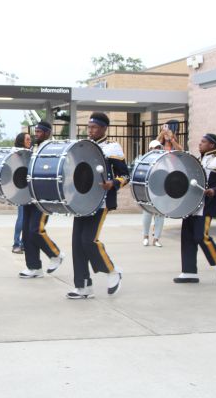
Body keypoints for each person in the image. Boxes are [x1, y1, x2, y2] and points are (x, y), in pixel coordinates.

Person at [67, 112, 127, 299]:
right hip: (82, 200)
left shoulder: (112, 148)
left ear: (103, 128)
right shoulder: (84, 146)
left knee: (88, 241)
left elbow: (125, 175)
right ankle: (83, 286)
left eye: (94, 127)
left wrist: (113, 183)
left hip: (101, 202)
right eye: (89, 127)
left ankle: (112, 271)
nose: (90, 130)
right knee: (77, 244)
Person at [174, 133, 216, 284]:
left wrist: (215, 190)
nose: (200, 144)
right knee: (187, 237)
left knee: (201, 236)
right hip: (191, 204)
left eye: (203, 142)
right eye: (200, 141)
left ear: (212, 145)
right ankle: (189, 271)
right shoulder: (198, 160)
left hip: (206, 205)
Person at [19, 121, 65, 278]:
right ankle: (34, 268)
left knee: (35, 230)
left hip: (44, 195)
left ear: (47, 133)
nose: (36, 134)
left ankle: (56, 255)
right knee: (26, 233)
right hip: (30, 194)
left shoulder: (53, 148)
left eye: (39, 132)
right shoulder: (33, 148)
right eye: (36, 131)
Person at [140, 140, 166, 247]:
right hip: (149, 190)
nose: (157, 150)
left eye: (159, 147)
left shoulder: (165, 160)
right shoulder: (144, 159)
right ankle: (145, 237)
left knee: (160, 214)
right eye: (155, 148)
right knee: (147, 213)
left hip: (161, 190)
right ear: (150, 149)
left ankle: (156, 239)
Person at [11, 132, 31, 254]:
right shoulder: (17, 153)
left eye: (30, 139)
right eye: (27, 139)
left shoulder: (29, 153)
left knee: (27, 219)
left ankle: (24, 243)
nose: (30, 141)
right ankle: (16, 244)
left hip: (29, 189)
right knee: (22, 217)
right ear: (21, 141)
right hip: (20, 189)